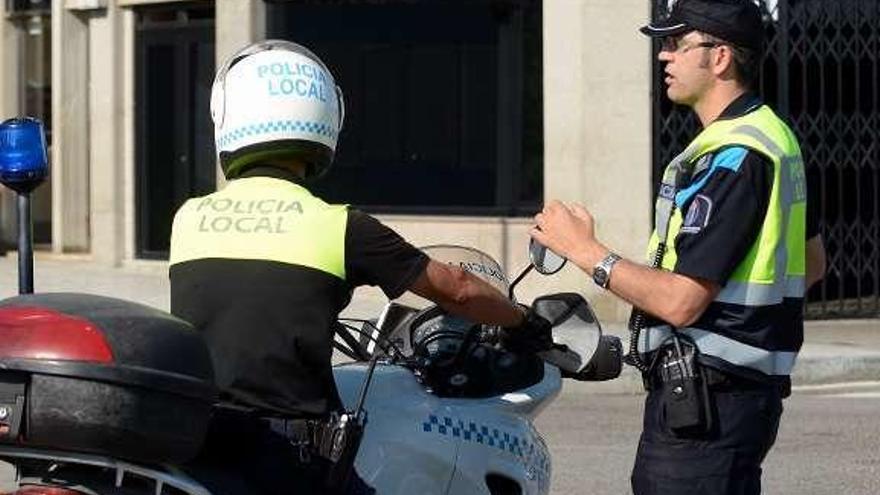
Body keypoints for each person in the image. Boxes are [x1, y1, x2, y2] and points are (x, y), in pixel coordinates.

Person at [169, 40, 541, 494]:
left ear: (225, 118)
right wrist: (524, 323)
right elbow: (457, 289)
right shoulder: (341, 226)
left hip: (200, 436)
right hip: (288, 455)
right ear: (326, 120)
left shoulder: (188, 217)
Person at [530, 1, 825, 494]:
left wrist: (585, 251)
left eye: (676, 44)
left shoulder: (735, 158)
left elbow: (680, 302)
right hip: (734, 400)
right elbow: (812, 264)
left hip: (708, 405)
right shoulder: (771, 138)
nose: (664, 57)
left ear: (721, 57)